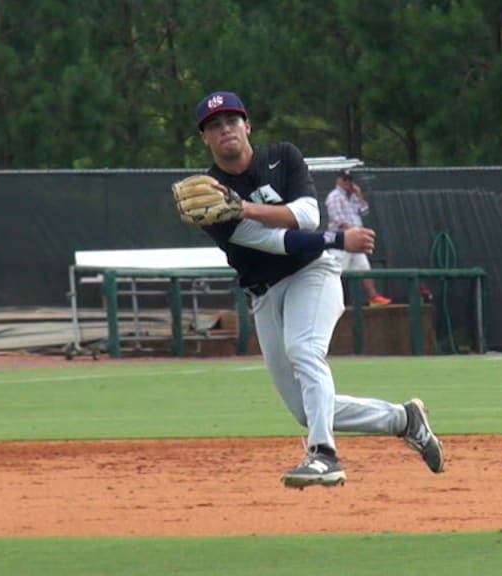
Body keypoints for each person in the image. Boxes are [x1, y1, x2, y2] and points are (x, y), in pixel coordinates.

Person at [182, 90, 444, 488]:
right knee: (306, 409)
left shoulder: (282, 156)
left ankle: (323, 454)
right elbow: (273, 242)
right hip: (265, 292)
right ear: (205, 138)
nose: (225, 130)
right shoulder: (208, 195)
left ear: (247, 126)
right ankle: (403, 419)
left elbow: (305, 218)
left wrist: (245, 207)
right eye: (214, 126)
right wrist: (339, 240)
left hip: (312, 272)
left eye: (232, 121)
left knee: (304, 349)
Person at [325, 170, 392, 306]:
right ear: (338, 180)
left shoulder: (353, 196)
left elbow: (364, 210)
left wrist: (359, 194)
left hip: (356, 240)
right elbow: (338, 220)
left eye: (349, 180)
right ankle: (328, 301)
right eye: (345, 180)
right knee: (336, 272)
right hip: (341, 241)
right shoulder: (334, 196)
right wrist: (355, 233)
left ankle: (373, 297)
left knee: (363, 268)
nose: (347, 183)